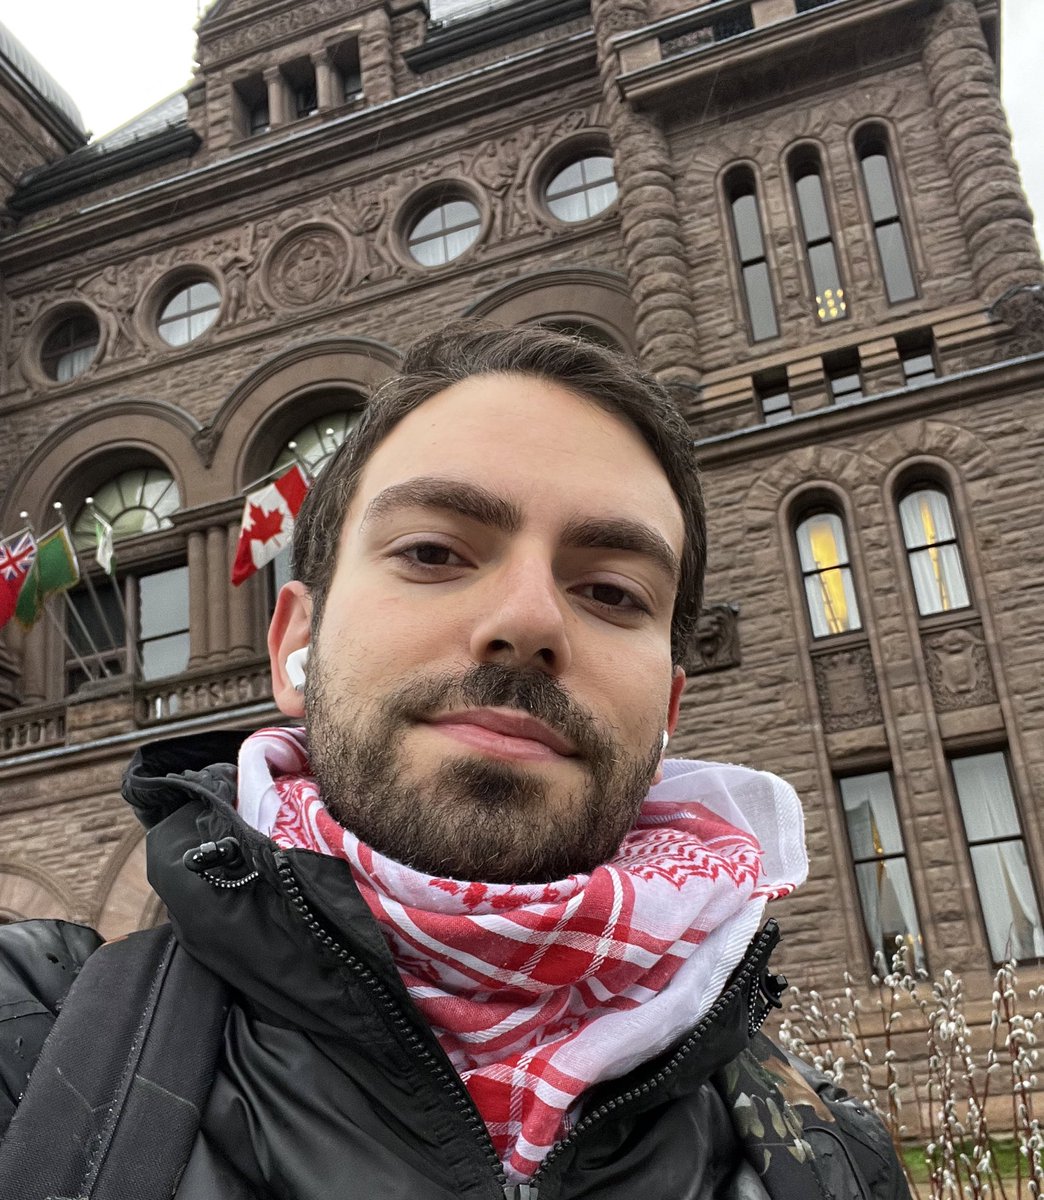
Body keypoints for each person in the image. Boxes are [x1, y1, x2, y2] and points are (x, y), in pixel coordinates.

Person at [0, 322, 909, 1199]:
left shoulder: (830, 1160)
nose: (527, 620)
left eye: (611, 591)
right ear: (294, 646)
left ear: (670, 706)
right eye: (434, 551)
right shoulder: (27, 1036)